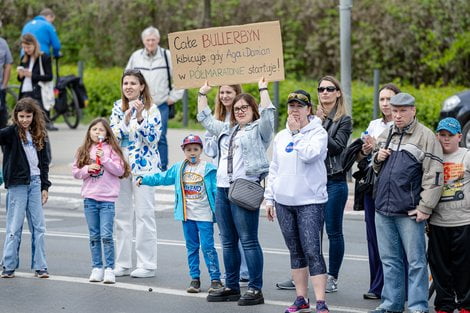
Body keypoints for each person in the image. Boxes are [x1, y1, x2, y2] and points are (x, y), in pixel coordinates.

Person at [197, 78, 274, 306]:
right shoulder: (229, 129)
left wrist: (263, 89)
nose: (240, 111)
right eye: (237, 108)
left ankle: (255, 288)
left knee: (248, 240)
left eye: (245, 108)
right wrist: (202, 93)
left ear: (253, 110)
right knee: (228, 241)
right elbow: (206, 120)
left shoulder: (259, 130)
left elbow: (269, 115)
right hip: (222, 188)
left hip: (244, 187)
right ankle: (231, 286)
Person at [369, 92, 444, 313]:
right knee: (390, 261)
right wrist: (376, 158)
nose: (398, 116)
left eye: (402, 111)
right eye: (394, 111)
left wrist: (425, 207)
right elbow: (375, 167)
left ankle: (418, 306)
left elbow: (435, 175)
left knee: (416, 263)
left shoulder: (426, 136)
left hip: (410, 212)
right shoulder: (387, 132)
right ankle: (391, 304)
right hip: (383, 208)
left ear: (413, 110)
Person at [265, 90, 331, 313]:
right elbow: (274, 168)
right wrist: (269, 199)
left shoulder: (318, 133)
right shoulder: (281, 136)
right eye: (291, 106)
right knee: (295, 251)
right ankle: (301, 298)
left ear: (309, 110)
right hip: (284, 201)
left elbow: (310, 155)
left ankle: (321, 301)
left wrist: (297, 134)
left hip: (310, 201)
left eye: (300, 106)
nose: (295, 110)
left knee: (313, 250)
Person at [137, 134, 223, 293]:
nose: (192, 153)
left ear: (201, 150)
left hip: (204, 216)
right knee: (192, 247)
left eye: (196, 149)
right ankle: (195, 279)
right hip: (187, 216)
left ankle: (215, 279)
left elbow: (218, 191)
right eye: (189, 149)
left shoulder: (209, 169)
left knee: (208, 247)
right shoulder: (179, 168)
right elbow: (162, 177)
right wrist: (145, 179)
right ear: (184, 151)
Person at [110, 69, 162, 278]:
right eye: (125, 83)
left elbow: (153, 138)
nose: (128, 87)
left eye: (133, 83)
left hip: (145, 168)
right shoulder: (117, 107)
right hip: (121, 168)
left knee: (144, 215)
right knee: (121, 216)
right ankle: (122, 263)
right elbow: (112, 135)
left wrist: (140, 118)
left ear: (142, 86)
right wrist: (126, 118)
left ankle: (147, 264)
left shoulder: (152, 109)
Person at [72, 118, 130, 284]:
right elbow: (76, 172)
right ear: (89, 132)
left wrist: (104, 159)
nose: (98, 132)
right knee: (94, 235)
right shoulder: (83, 150)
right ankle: (97, 267)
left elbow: (119, 170)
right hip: (90, 198)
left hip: (107, 200)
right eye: (94, 129)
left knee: (106, 235)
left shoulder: (112, 150)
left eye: (101, 130)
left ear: (107, 134)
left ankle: (109, 269)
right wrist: (87, 169)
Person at [203, 84, 250, 287]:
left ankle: (246, 271)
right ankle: (232, 273)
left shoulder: (244, 116)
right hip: (219, 180)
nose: (224, 96)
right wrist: (213, 136)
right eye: (221, 93)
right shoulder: (217, 118)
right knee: (226, 232)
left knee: (243, 230)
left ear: (236, 94)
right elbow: (210, 150)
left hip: (239, 180)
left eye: (228, 92)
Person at [357, 83, 400, 300]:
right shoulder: (374, 124)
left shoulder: (402, 124)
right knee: (373, 238)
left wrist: (376, 147)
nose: (385, 104)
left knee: (392, 241)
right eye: (382, 99)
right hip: (371, 187)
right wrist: (365, 150)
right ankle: (377, 285)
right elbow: (362, 159)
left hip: (393, 191)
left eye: (389, 99)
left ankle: (397, 288)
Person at [0, 97, 51, 278]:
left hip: (36, 183)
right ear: (16, 116)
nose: (24, 120)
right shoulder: (10, 133)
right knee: (14, 227)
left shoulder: (41, 134)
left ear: (33, 116)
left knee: (39, 226)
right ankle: (8, 265)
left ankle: (40, 266)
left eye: (28, 116)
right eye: (21, 116)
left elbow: (44, 163)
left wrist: (45, 186)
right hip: (17, 184)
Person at [126, 26, 183, 172]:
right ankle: (140, 165)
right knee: (138, 134)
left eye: (153, 40)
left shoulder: (166, 55)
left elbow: (179, 77)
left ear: (158, 40)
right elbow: (127, 77)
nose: (150, 43)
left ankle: (162, 168)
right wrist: (130, 97)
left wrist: (174, 97)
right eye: (148, 40)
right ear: (143, 41)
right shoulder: (136, 56)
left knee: (160, 136)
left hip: (161, 104)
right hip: (139, 104)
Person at [429, 118, 470, 313]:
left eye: (450, 136)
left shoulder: (466, 156)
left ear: (459, 137)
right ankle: (444, 304)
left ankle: (465, 303)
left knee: (463, 267)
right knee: (440, 267)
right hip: (438, 222)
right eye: (442, 135)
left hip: (464, 221)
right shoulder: (433, 158)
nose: (446, 139)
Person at [316, 75, 352, 293]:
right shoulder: (310, 117)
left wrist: (319, 125)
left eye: (330, 89)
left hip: (334, 182)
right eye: (321, 89)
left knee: (333, 231)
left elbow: (337, 147)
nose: (325, 92)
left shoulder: (344, 120)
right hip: (312, 182)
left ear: (338, 93)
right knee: (311, 231)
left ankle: (332, 276)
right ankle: (309, 272)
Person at [17, 33, 57, 131]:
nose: (26, 50)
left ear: (34, 45)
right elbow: (21, 79)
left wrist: (32, 75)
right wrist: (20, 75)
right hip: (25, 92)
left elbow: (49, 76)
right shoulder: (24, 58)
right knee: (24, 121)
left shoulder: (44, 57)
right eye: (24, 48)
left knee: (38, 122)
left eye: (28, 47)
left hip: (38, 93)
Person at [0, 36, 13, 129]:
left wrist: (4, 85)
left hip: (0, 87)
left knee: (2, 118)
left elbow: (8, 64)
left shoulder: (3, 43)